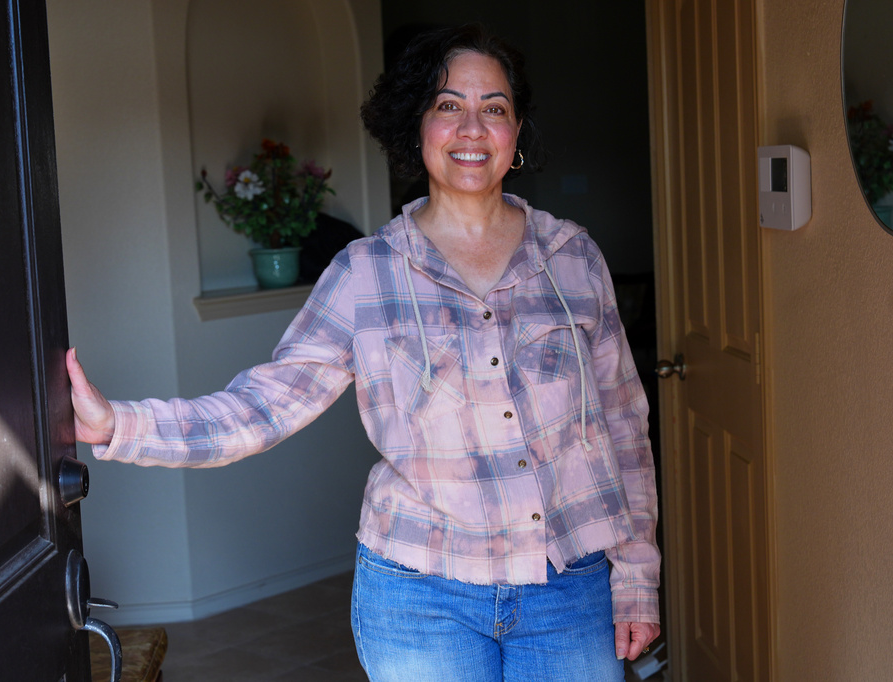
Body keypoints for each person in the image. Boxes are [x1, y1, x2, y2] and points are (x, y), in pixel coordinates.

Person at [68, 23, 660, 681]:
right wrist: (119, 426)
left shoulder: (572, 259)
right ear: (418, 128)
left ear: (516, 133)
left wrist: (638, 574)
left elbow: (624, 426)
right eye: (448, 106)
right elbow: (263, 405)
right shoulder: (366, 273)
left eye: (494, 108)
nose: (472, 127)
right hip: (421, 596)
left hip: (569, 587)